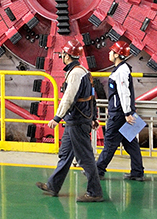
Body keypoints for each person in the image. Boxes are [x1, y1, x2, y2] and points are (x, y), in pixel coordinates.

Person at [36, 39, 104, 202]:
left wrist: (57, 118)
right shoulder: (83, 71)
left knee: (85, 158)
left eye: (63, 54)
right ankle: (53, 185)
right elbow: (92, 97)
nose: (62, 56)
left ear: (67, 55)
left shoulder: (75, 74)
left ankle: (95, 192)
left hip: (77, 122)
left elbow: (68, 98)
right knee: (66, 154)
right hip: (77, 120)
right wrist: (93, 117)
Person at [96, 40, 145, 181]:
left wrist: (127, 113)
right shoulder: (122, 69)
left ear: (117, 54)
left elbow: (124, 93)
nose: (109, 54)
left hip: (119, 114)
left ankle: (98, 170)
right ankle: (137, 172)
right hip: (123, 112)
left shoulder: (122, 71)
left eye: (112, 51)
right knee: (131, 144)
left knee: (110, 142)